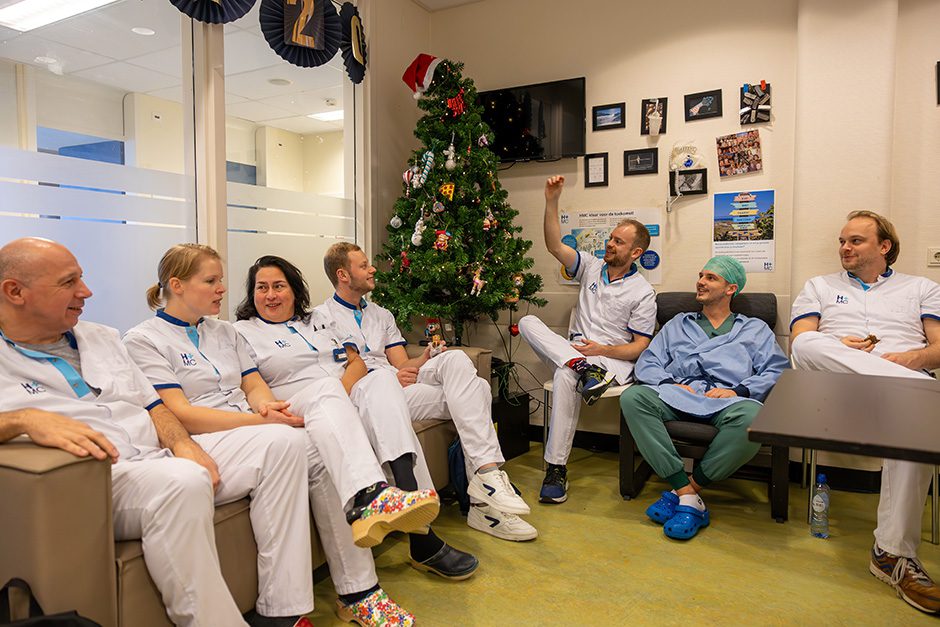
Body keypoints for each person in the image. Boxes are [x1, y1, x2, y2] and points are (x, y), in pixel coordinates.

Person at [0, 238, 314, 627]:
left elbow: (154, 405)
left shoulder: (100, 337)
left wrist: (183, 443)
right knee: (182, 480)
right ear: (15, 292)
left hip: (157, 455)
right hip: (99, 477)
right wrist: (21, 420)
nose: (86, 292)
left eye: (81, 279)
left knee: (282, 443)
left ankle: (282, 610)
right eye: (69, 283)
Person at [122, 244, 441, 626]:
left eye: (221, 280)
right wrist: (264, 422)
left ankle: (359, 581)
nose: (222, 288)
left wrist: (266, 407)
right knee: (289, 440)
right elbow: (181, 413)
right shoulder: (143, 339)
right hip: (208, 436)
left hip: (248, 426)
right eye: (211, 281)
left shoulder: (222, 332)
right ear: (176, 285)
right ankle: (333, 570)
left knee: (322, 423)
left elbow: (253, 384)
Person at [233, 255, 482, 590]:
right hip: (303, 406)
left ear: (294, 291)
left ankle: (403, 495)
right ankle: (422, 536)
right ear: (252, 294)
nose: (270, 295)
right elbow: (251, 387)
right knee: (346, 391)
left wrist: (342, 394)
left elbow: (356, 363)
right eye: (261, 288)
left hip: (343, 396)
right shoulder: (242, 333)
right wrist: (330, 397)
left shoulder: (317, 322)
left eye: (279, 286)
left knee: (382, 381)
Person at [316, 242, 537, 541]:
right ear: (343, 275)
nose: (372, 270)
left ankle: (485, 480)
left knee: (461, 366)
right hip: (372, 398)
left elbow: (403, 364)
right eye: (364, 265)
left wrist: (426, 358)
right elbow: (344, 377)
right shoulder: (321, 319)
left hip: (399, 387)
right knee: (480, 390)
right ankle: (484, 502)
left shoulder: (381, 315)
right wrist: (392, 377)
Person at [789, 211, 940, 614]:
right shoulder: (819, 286)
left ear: (884, 246)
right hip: (838, 388)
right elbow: (802, 341)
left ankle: (891, 555)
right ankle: (919, 392)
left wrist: (911, 358)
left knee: (913, 432)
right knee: (807, 346)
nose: (844, 247)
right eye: (842, 241)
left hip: (902, 394)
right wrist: (840, 344)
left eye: (855, 240)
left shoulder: (922, 287)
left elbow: (938, 347)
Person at [620, 256, 788, 540]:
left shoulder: (754, 328)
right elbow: (649, 362)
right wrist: (669, 382)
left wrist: (740, 391)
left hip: (727, 397)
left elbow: (777, 369)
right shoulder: (677, 323)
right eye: (700, 275)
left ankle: (685, 492)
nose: (700, 281)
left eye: (711, 277)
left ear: (731, 288)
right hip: (677, 392)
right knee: (633, 398)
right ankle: (686, 492)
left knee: (753, 418)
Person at [518, 175, 656, 504]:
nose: (610, 244)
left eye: (619, 242)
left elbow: (640, 347)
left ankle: (556, 469)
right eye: (610, 238)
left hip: (611, 362)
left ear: (635, 252)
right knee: (526, 321)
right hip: (576, 353)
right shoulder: (591, 267)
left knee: (566, 374)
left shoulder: (643, 293)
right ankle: (581, 366)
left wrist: (600, 350)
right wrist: (552, 199)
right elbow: (554, 246)